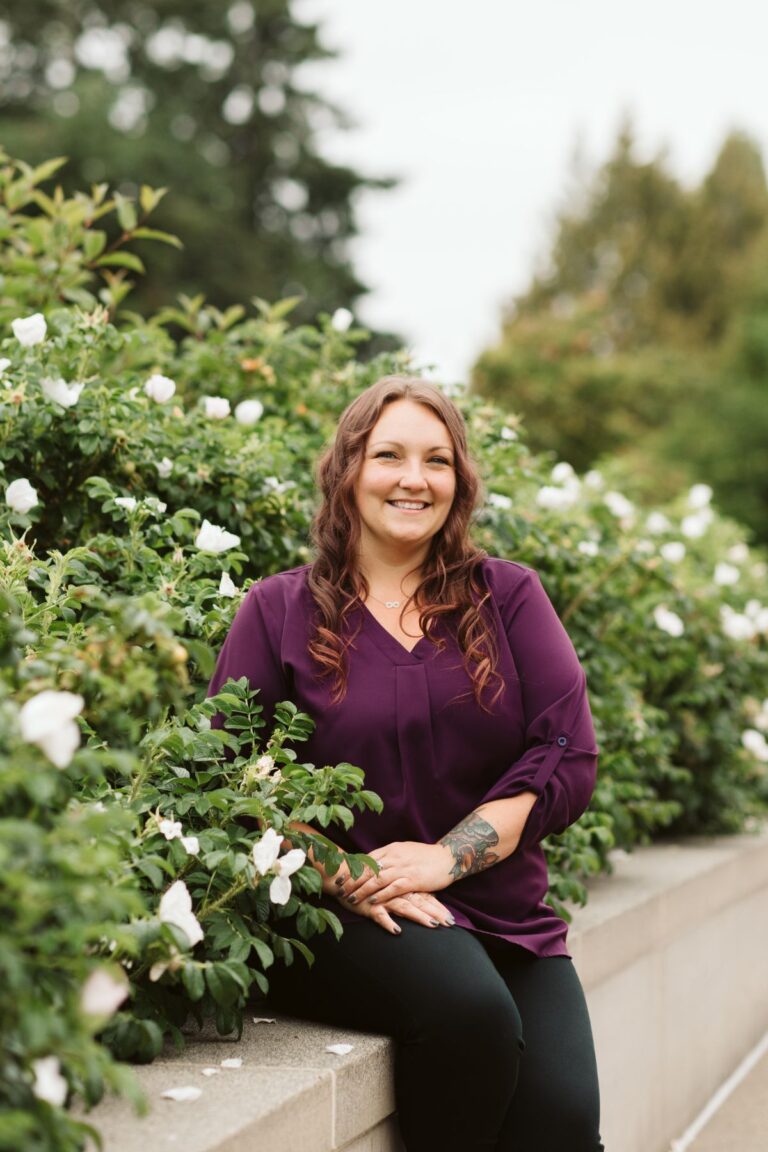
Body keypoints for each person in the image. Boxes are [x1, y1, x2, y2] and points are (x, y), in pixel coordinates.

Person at [207, 375, 604, 1152]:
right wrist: (344, 873)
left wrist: (443, 862)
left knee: (562, 1120)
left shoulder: (509, 598)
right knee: (470, 1013)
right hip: (347, 913)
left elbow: (564, 752)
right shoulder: (279, 610)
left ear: (459, 482)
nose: (414, 479)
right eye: (388, 455)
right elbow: (229, 779)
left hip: (503, 916)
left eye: (437, 460)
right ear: (347, 471)